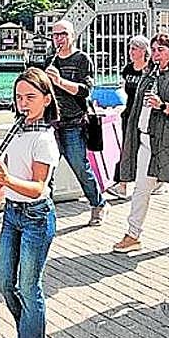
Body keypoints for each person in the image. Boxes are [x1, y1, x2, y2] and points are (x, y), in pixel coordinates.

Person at [0, 68, 60, 338]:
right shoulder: (17, 130)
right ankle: (29, 332)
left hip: (37, 216)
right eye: (19, 97)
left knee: (28, 285)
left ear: (46, 100)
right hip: (13, 213)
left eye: (31, 97)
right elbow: (5, 173)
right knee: (3, 282)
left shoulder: (45, 139)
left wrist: (7, 179)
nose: (23, 103)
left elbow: (38, 188)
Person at [112, 33, 169, 253]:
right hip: (146, 139)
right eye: (153, 50)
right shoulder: (151, 74)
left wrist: (163, 106)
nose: (155, 54)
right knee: (142, 189)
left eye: (160, 50)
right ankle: (133, 234)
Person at [44, 19, 106, 226]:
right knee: (47, 170)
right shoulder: (49, 60)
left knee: (80, 167)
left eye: (63, 34)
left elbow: (86, 91)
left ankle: (98, 204)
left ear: (72, 36)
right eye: (55, 35)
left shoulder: (82, 59)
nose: (58, 39)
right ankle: (44, 212)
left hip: (74, 122)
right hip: (52, 123)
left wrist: (60, 81)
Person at [107, 35, 150, 198]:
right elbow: (125, 90)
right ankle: (122, 183)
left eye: (134, 49)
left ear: (143, 51)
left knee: (144, 148)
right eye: (130, 48)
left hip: (145, 114)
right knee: (127, 146)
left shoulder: (150, 69)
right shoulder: (128, 69)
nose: (130, 52)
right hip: (129, 113)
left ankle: (151, 181)